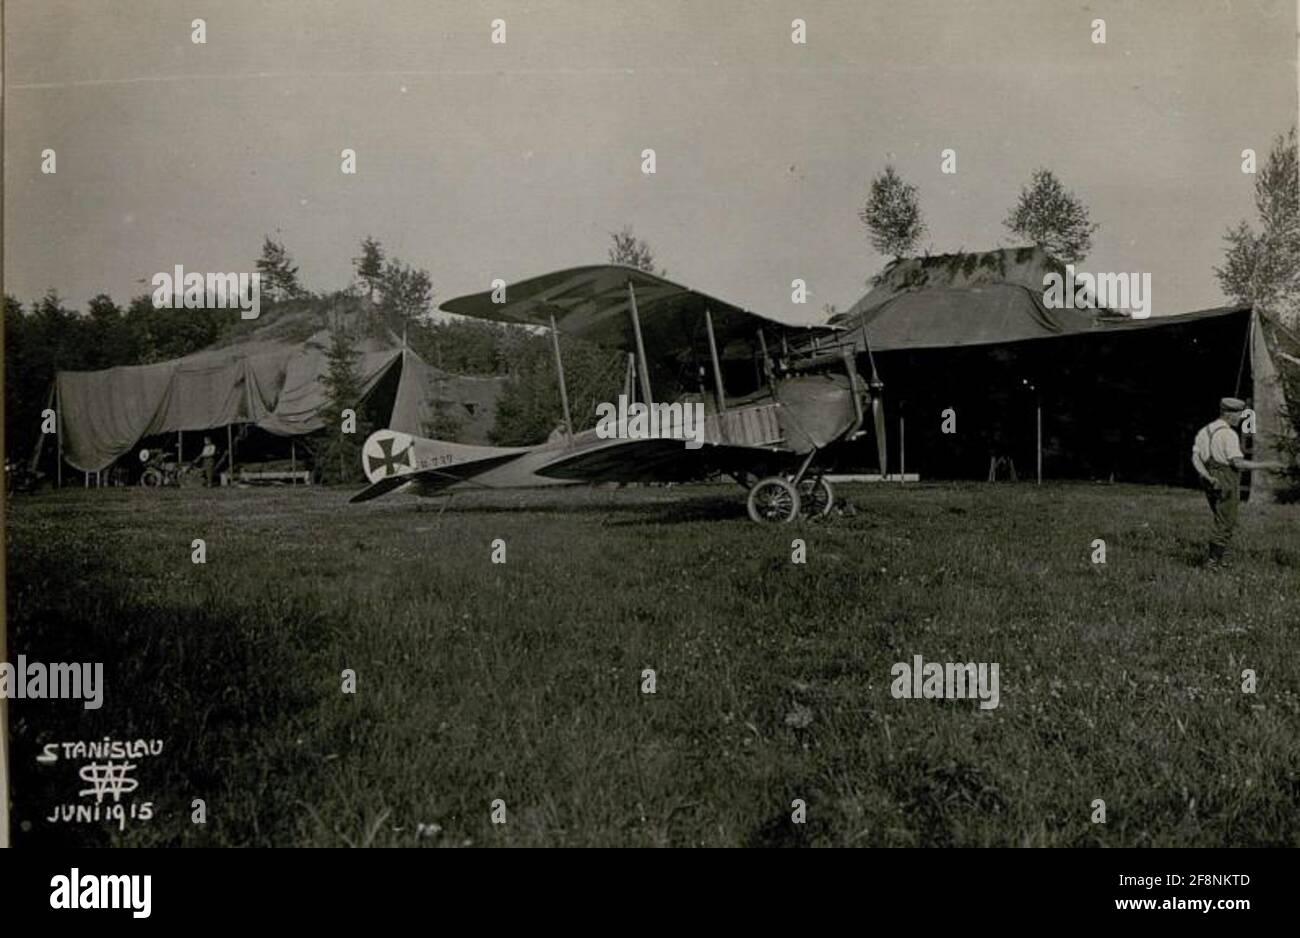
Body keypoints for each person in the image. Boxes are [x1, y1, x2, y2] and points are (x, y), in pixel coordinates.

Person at [1190, 397, 1283, 567]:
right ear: (1229, 414)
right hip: (1226, 477)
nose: (1241, 418)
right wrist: (1266, 465)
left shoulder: (1205, 430)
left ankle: (1223, 558)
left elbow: (1196, 458)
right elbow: (1238, 463)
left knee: (1220, 516)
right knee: (1226, 520)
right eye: (1240, 414)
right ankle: (1212, 562)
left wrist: (1207, 476)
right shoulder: (1229, 434)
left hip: (1208, 478)